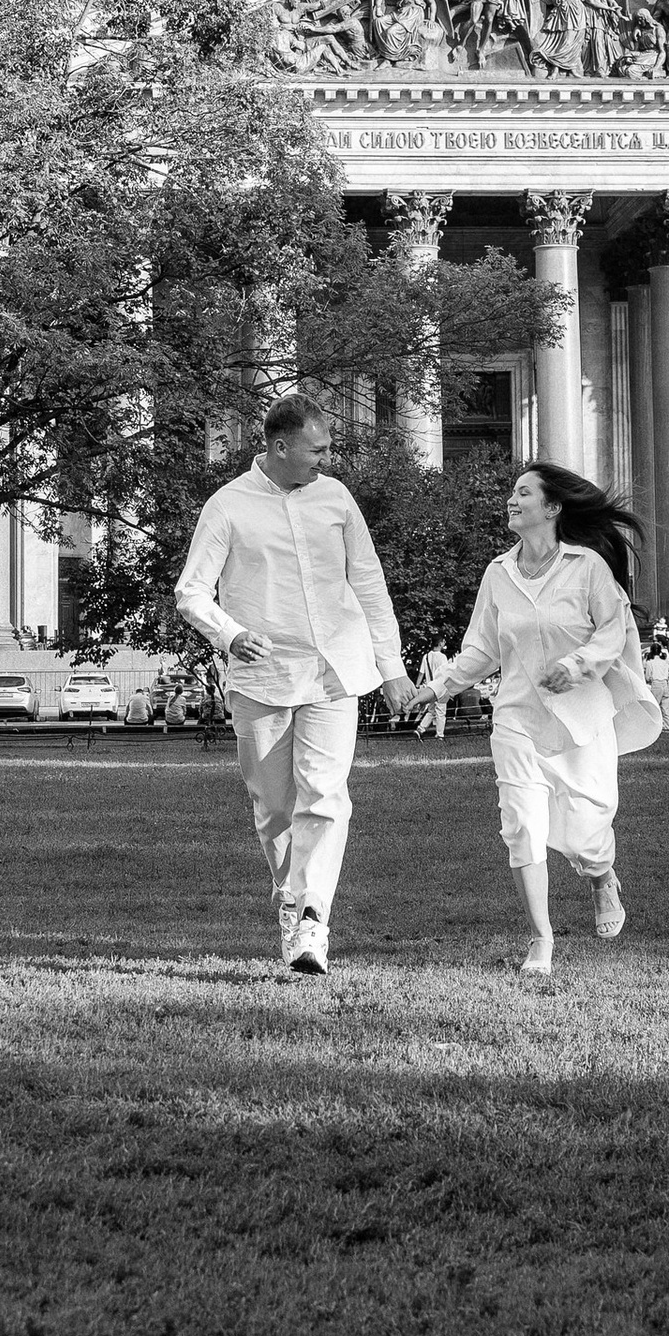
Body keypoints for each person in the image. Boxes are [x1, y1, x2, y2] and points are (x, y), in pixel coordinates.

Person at [176, 394, 405, 979]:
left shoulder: (336, 499)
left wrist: (393, 667)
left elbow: (370, 585)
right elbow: (192, 592)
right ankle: (289, 897)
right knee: (275, 807)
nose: (325, 460)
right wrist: (229, 635)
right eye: (317, 449)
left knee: (326, 795)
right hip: (262, 677)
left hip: (335, 670)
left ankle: (312, 917)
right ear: (279, 447)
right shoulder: (226, 506)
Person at [437, 459, 656, 978]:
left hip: (582, 718)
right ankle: (540, 938)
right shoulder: (498, 572)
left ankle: (602, 877)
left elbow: (612, 631)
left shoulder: (586, 567)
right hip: (516, 718)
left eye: (523, 493)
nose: (512, 501)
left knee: (585, 834)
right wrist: (439, 686)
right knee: (522, 828)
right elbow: (483, 646)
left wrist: (577, 664)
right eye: (512, 493)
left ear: (553, 507)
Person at [418, 632, 453, 741]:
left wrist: (417, 686)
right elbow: (446, 673)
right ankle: (440, 735)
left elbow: (421, 673)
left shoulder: (426, 656)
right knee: (441, 712)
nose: (444, 643)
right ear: (440, 643)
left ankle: (420, 729)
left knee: (432, 710)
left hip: (430, 688)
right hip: (441, 687)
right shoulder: (442, 657)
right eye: (443, 641)